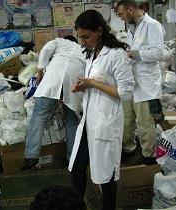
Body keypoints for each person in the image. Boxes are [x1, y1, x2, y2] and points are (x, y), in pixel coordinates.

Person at [68, 9, 135, 210]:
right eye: (80, 37)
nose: (82, 41)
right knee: (77, 168)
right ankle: (75, 206)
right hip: (89, 121)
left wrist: (92, 83)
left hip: (106, 122)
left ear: (99, 31)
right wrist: (84, 86)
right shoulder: (92, 54)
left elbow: (125, 93)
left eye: (86, 37)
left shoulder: (116, 55)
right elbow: (95, 82)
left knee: (106, 176)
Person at [21, 35, 86, 170]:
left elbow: (45, 50)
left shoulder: (60, 41)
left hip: (54, 79)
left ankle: (31, 157)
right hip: (74, 83)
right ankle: (72, 159)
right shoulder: (82, 50)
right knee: (71, 120)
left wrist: (40, 70)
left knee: (39, 116)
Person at [116, 0, 165, 165]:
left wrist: (133, 54)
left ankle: (148, 154)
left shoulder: (152, 25)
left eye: (122, 14)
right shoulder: (131, 28)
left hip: (145, 83)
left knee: (144, 122)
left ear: (130, 10)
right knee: (126, 119)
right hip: (130, 81)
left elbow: (158, 53)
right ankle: (129, 149)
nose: (122, 18)